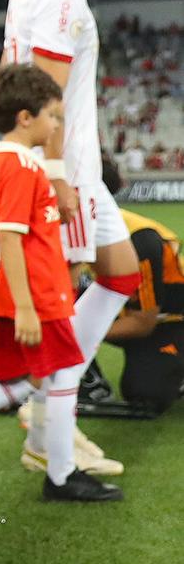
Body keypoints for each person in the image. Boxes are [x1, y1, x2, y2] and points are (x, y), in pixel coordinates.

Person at [0, 64, 122, 502]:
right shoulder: (18, 165)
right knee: (56, 375)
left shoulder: (6, 162)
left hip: (23, 292)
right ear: (25, 117)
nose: (56, 125)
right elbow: (10, 237)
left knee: (26, 379)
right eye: (52, 116)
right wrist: (24, 305)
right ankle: (60, 474)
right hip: (35, 295)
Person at [2, 0, 139, 474]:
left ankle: (51, 412)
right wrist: (55, 174)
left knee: (121, 271)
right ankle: (49, 420)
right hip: (67, 171)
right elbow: (46, 93)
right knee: (70, 296)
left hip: (69, 168)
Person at [86, 156, 184, 415]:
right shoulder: (67, 231)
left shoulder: (140, 240)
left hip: (168, 321)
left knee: (145, 393)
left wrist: (77, 333)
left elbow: (143, 323)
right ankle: (84, 375)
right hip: (119, 315)